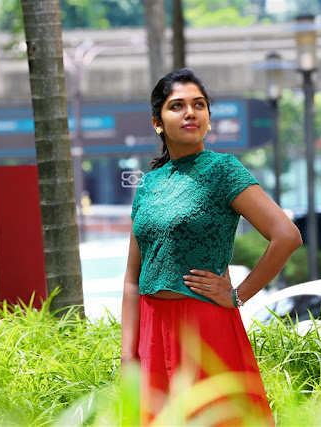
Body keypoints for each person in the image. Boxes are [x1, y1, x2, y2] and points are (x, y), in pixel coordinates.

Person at [121, 68, 302, 426]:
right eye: (178, 106)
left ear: (207, 116)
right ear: (158, 122)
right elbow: (132, 278)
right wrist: (129, 355)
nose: (190, 112)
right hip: (152, 331)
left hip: (203, 327)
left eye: (198, 104)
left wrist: (238, 294)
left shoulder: (222, 170)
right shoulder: (148, 185)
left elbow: (286, 236)